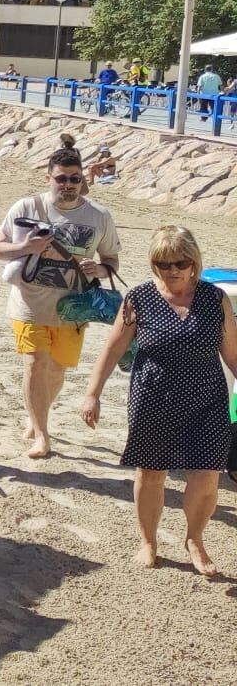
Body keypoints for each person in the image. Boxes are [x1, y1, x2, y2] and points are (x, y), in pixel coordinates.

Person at [80, 226, 237, 576]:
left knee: (207, 476)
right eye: (164, 263)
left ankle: (194, 539)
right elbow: (113, 348)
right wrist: (93, 392)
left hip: (207, 398)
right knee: (151, 473)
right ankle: (148, 541)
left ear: (194, 261)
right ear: (154, 264)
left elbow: (233, 353)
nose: (173, 270)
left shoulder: (215, 299)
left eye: (180, 262)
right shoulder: (139, 298)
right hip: (154, 398)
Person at [0, 149, 120, 459]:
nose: (68, 184)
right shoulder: (27, 206)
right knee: (35, 362)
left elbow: (112, 260)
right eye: (61, 179)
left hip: (73, 308)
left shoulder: (99, 217)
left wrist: (99, 269)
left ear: (83, 179)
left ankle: (36, 418)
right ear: (49, 178)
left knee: (57, 370)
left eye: (75, 179)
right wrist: (25, 246)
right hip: (29, 302)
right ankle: (42, 435)